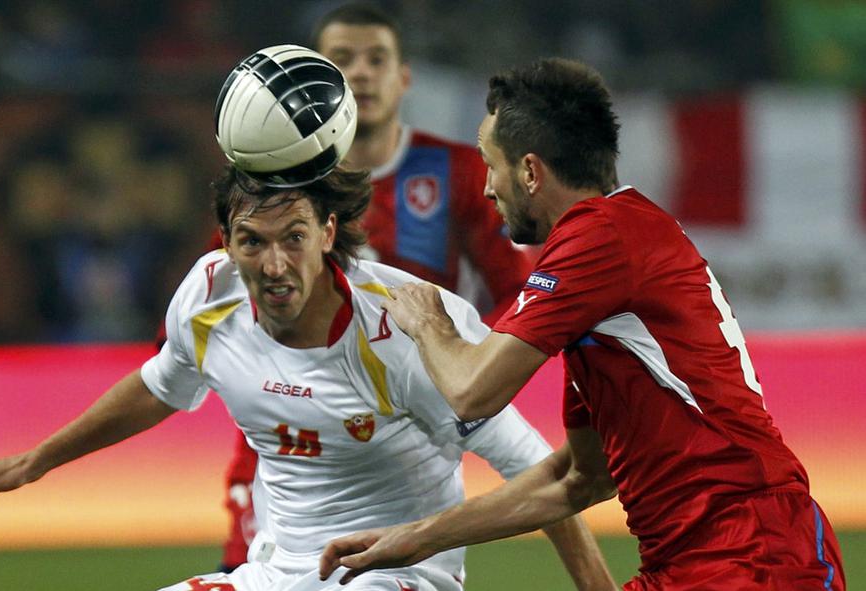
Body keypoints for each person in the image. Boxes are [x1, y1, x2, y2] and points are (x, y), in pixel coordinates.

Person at [0, 166, 615, 591]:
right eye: (252, 241)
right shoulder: (210, 296)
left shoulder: (402, 330)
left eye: (293, 237)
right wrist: (35, 460)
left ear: (328, 232)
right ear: (226, 242)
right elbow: (158, 386)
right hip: (276, 572)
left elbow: (542, 473)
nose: (273, 263)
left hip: (398, 575)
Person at [319, 58, 847, 590]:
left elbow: (472, 391)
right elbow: (580, 479)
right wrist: (416, 538)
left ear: (530, 172)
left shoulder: (601, 237)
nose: (486, 189)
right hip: (699, 560)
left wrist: (429, 323)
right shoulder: (605, 268)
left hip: (753, 553)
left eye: (490, 164)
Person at [216, 2, 536, 571]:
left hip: (406, 420)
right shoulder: (268, 184)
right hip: (287, 420)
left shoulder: (458, 172)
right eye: (342, 60)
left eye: (377, 59)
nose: (360, 73)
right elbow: (223, 293)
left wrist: (464, 365)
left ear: (404, 76)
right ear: (315, 77)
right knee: (256, 569)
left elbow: (520, 293)